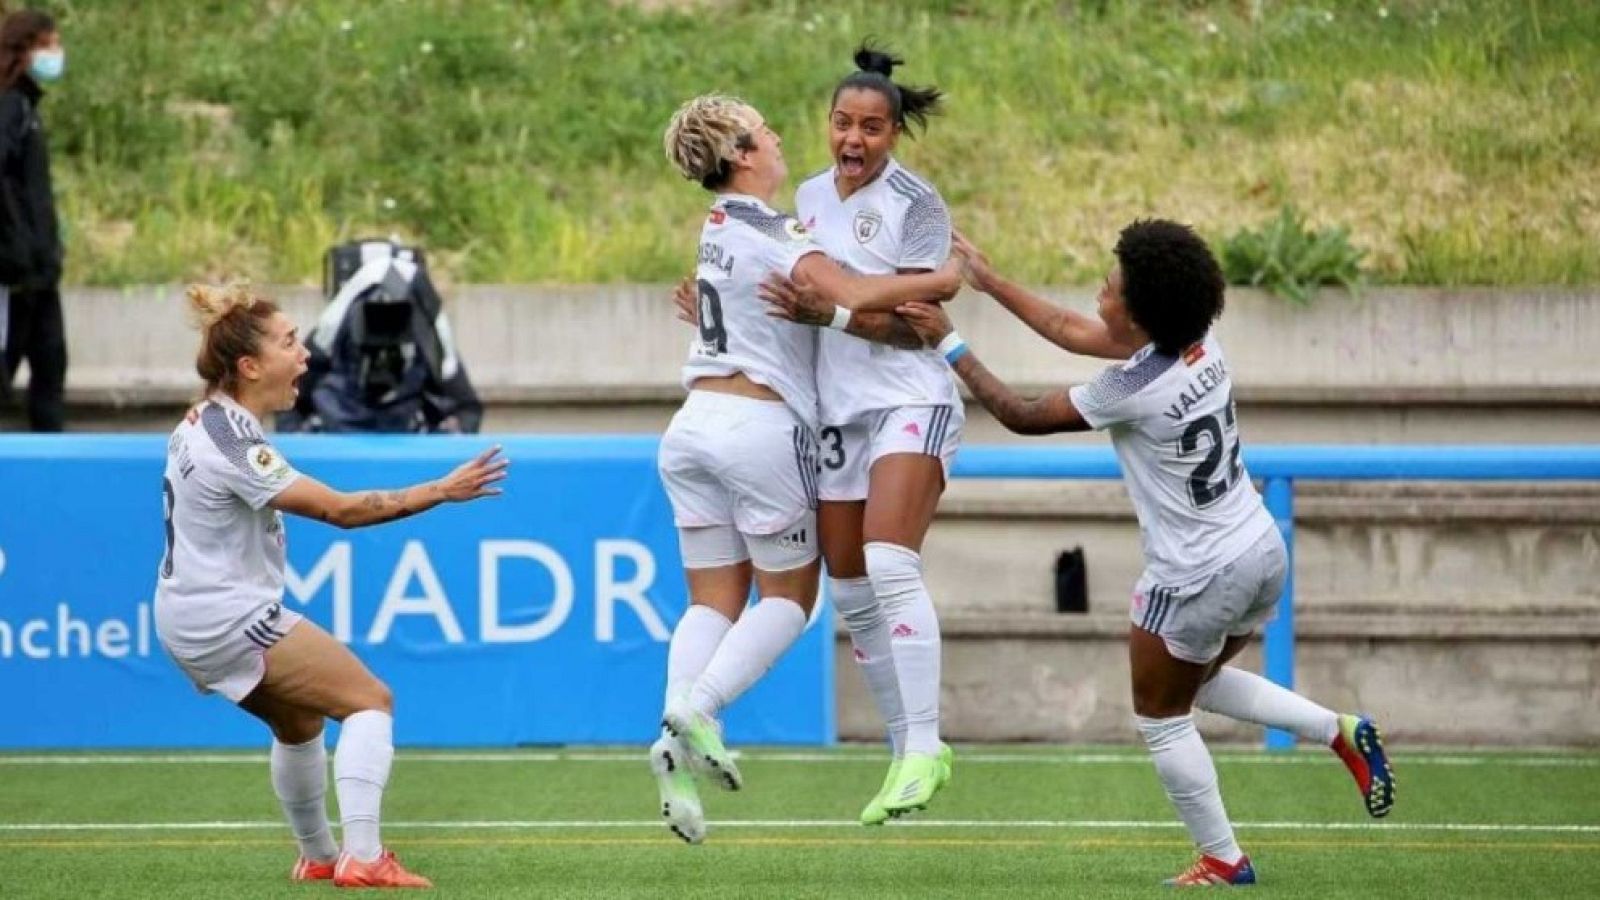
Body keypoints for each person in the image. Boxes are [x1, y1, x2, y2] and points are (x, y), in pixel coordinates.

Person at [893, 220, 1396, 887]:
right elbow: (1071, 329)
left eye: (1111, 286)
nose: (1100, 290)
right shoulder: (1199, 338)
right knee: (1197, 682)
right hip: (1258, 547)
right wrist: (989, 281)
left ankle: (1224, 859)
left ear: (1138, 314)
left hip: (1197, 572)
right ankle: (1337, 730)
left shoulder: (1131, 389)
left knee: (1161, 717)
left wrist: (947, 341)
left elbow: (1019, 413)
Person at [653, 93, 958, 845]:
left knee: (712, 602)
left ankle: (671, 734)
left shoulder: (716, 223)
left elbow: (753, 300)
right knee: (792, 599)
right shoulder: (775, 223)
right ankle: (699, 708)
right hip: (759, 426)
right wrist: (940, 278)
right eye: (764, 132)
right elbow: (846, 292)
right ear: (742, 154)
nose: (779, 137)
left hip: (690, 425)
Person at [155, 283, 508, 888]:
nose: (305, 355)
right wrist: (440, 491)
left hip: (188, 614)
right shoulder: (230, 439)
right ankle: (364, 857)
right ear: (250, 366)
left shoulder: (210, 419)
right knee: (369, 701)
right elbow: (340, 511)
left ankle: (319, 855)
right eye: (290, 343)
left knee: (299, 724)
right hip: (225, 616)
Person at [760, 44, 962, 824]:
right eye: (842, 122)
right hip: (837, 411)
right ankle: (905, 747)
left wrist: (838, 313)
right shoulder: (808, 196)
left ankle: (925, 747)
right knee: (847, 588)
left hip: (911, 396)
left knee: (888, 559)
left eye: (871, 127)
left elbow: (918, 329)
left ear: (894, 134)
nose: (853, 138)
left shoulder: (919, 205)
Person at [0, 9, 65, 431]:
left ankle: (54, 457)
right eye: (48, 44)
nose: (56, 53)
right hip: (15, 272)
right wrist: (16, 246)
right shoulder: (10, 106)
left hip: (40, 273)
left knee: (51, 367)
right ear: (23, 50)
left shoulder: (26, 107)